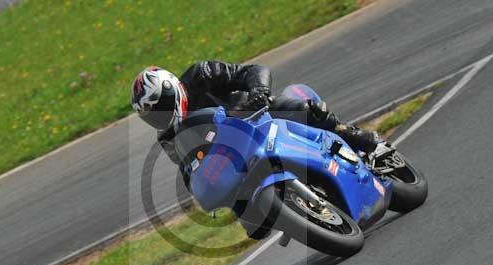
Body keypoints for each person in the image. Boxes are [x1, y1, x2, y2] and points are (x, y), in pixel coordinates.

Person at [130, 61, 382, 239]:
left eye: (160, 107)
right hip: (231, 162)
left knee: (307, 110)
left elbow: (250, 71)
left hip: (257, 117)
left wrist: (259, 92)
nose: (159, 118)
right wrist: (200, 184)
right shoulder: (167, 136)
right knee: (253, 227)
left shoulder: (200, 75)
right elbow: (187, 168)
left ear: (171, 89)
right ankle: (297, 212)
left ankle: (358, 138)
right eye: (151, 116)